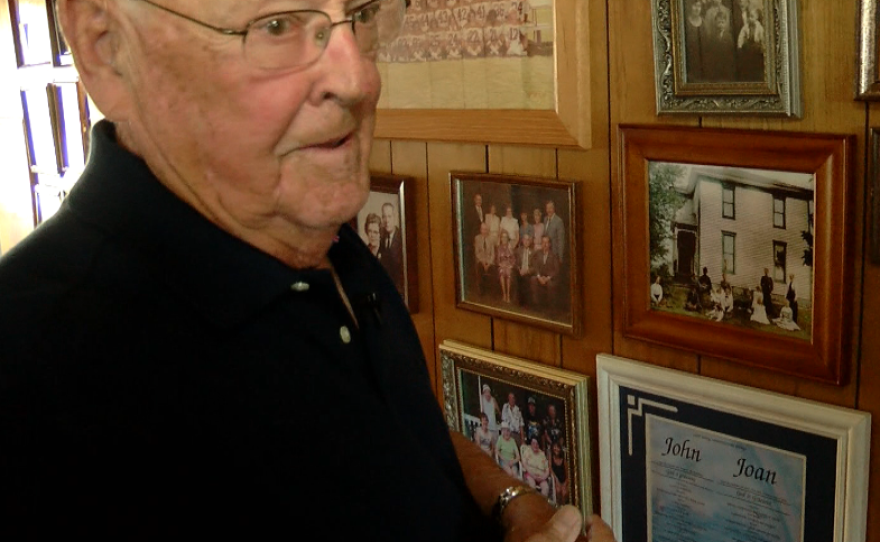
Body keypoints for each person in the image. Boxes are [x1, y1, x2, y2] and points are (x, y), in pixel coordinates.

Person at [0, 0, 615, 539]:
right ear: (105, 49)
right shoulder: (36, 389)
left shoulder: (312, 235)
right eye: (276, 25)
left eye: (362, 12)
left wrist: (511, 503)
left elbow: (389, 432)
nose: (360, 78)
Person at [378, 201, 404, 294]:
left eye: (389, 216)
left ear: (395, 217)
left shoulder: (402, 238)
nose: (386, 220)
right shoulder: (381, 238)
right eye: (384, 216)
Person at [531, 235, 560, 307]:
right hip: (540, 276)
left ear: (549, 244)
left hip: (549, 277)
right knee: (533, 279)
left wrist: (547, 278)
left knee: (551, 284)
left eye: (547, 242)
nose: (545, 244)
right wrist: (539, 277)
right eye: (543, 242)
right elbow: (535, 266)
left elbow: (556, 270)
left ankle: (550, 306)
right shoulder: (537, 253)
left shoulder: (554, 255)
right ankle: (536, 304)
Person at [475, 221, 497, 296]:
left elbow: (493, 254)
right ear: (480, 230)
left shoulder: (491, 239)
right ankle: (481, 292)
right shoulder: (477, 238)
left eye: (485, 229)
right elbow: (477, 253)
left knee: (494, 269)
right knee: (479, 268)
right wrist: (483, 262)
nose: (484, 231)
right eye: (482, 229)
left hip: (489, 261)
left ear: (487, 230)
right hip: (481, 261)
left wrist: (489, 263)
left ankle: (493, 293)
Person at [515, 233, 537, 307]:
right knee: (518, 277)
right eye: (525, 239)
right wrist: (520, 269)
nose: (526, 241)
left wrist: (526, 271)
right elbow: (516, 263)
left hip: (528, 272)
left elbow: (534, 267)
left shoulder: (533, 252)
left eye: (528, 240)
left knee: (526, 279)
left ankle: (526, 303)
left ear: (530, 242)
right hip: (520, 271)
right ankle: (520, 301)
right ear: (522, 241)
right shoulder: (518, 250)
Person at [497, 230, 516, 303]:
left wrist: (510, 266)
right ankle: (504, 294)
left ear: (507, 238)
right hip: (502, 266)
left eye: (505, 237)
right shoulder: (499, 248)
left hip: (509, 266)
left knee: (508, 274)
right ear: (501, 238)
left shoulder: (510, 247)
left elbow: (514, 259)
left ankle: (508, 295)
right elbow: (498, 260)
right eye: (503, 237)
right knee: (501, 273)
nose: (504, 239)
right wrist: (501, 265)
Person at [550, 441, 569, 506]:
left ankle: (563, 507)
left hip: (564, 481)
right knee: (558, 490)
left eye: (558, 447)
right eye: (555, 447)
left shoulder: (564, 461)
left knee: (564, 492)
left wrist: (565, 484)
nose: (556, 449)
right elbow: (550, 469)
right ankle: (558, 507)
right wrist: (556, 480)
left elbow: (567, 475)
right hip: (555, 481)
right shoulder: (551, 458)